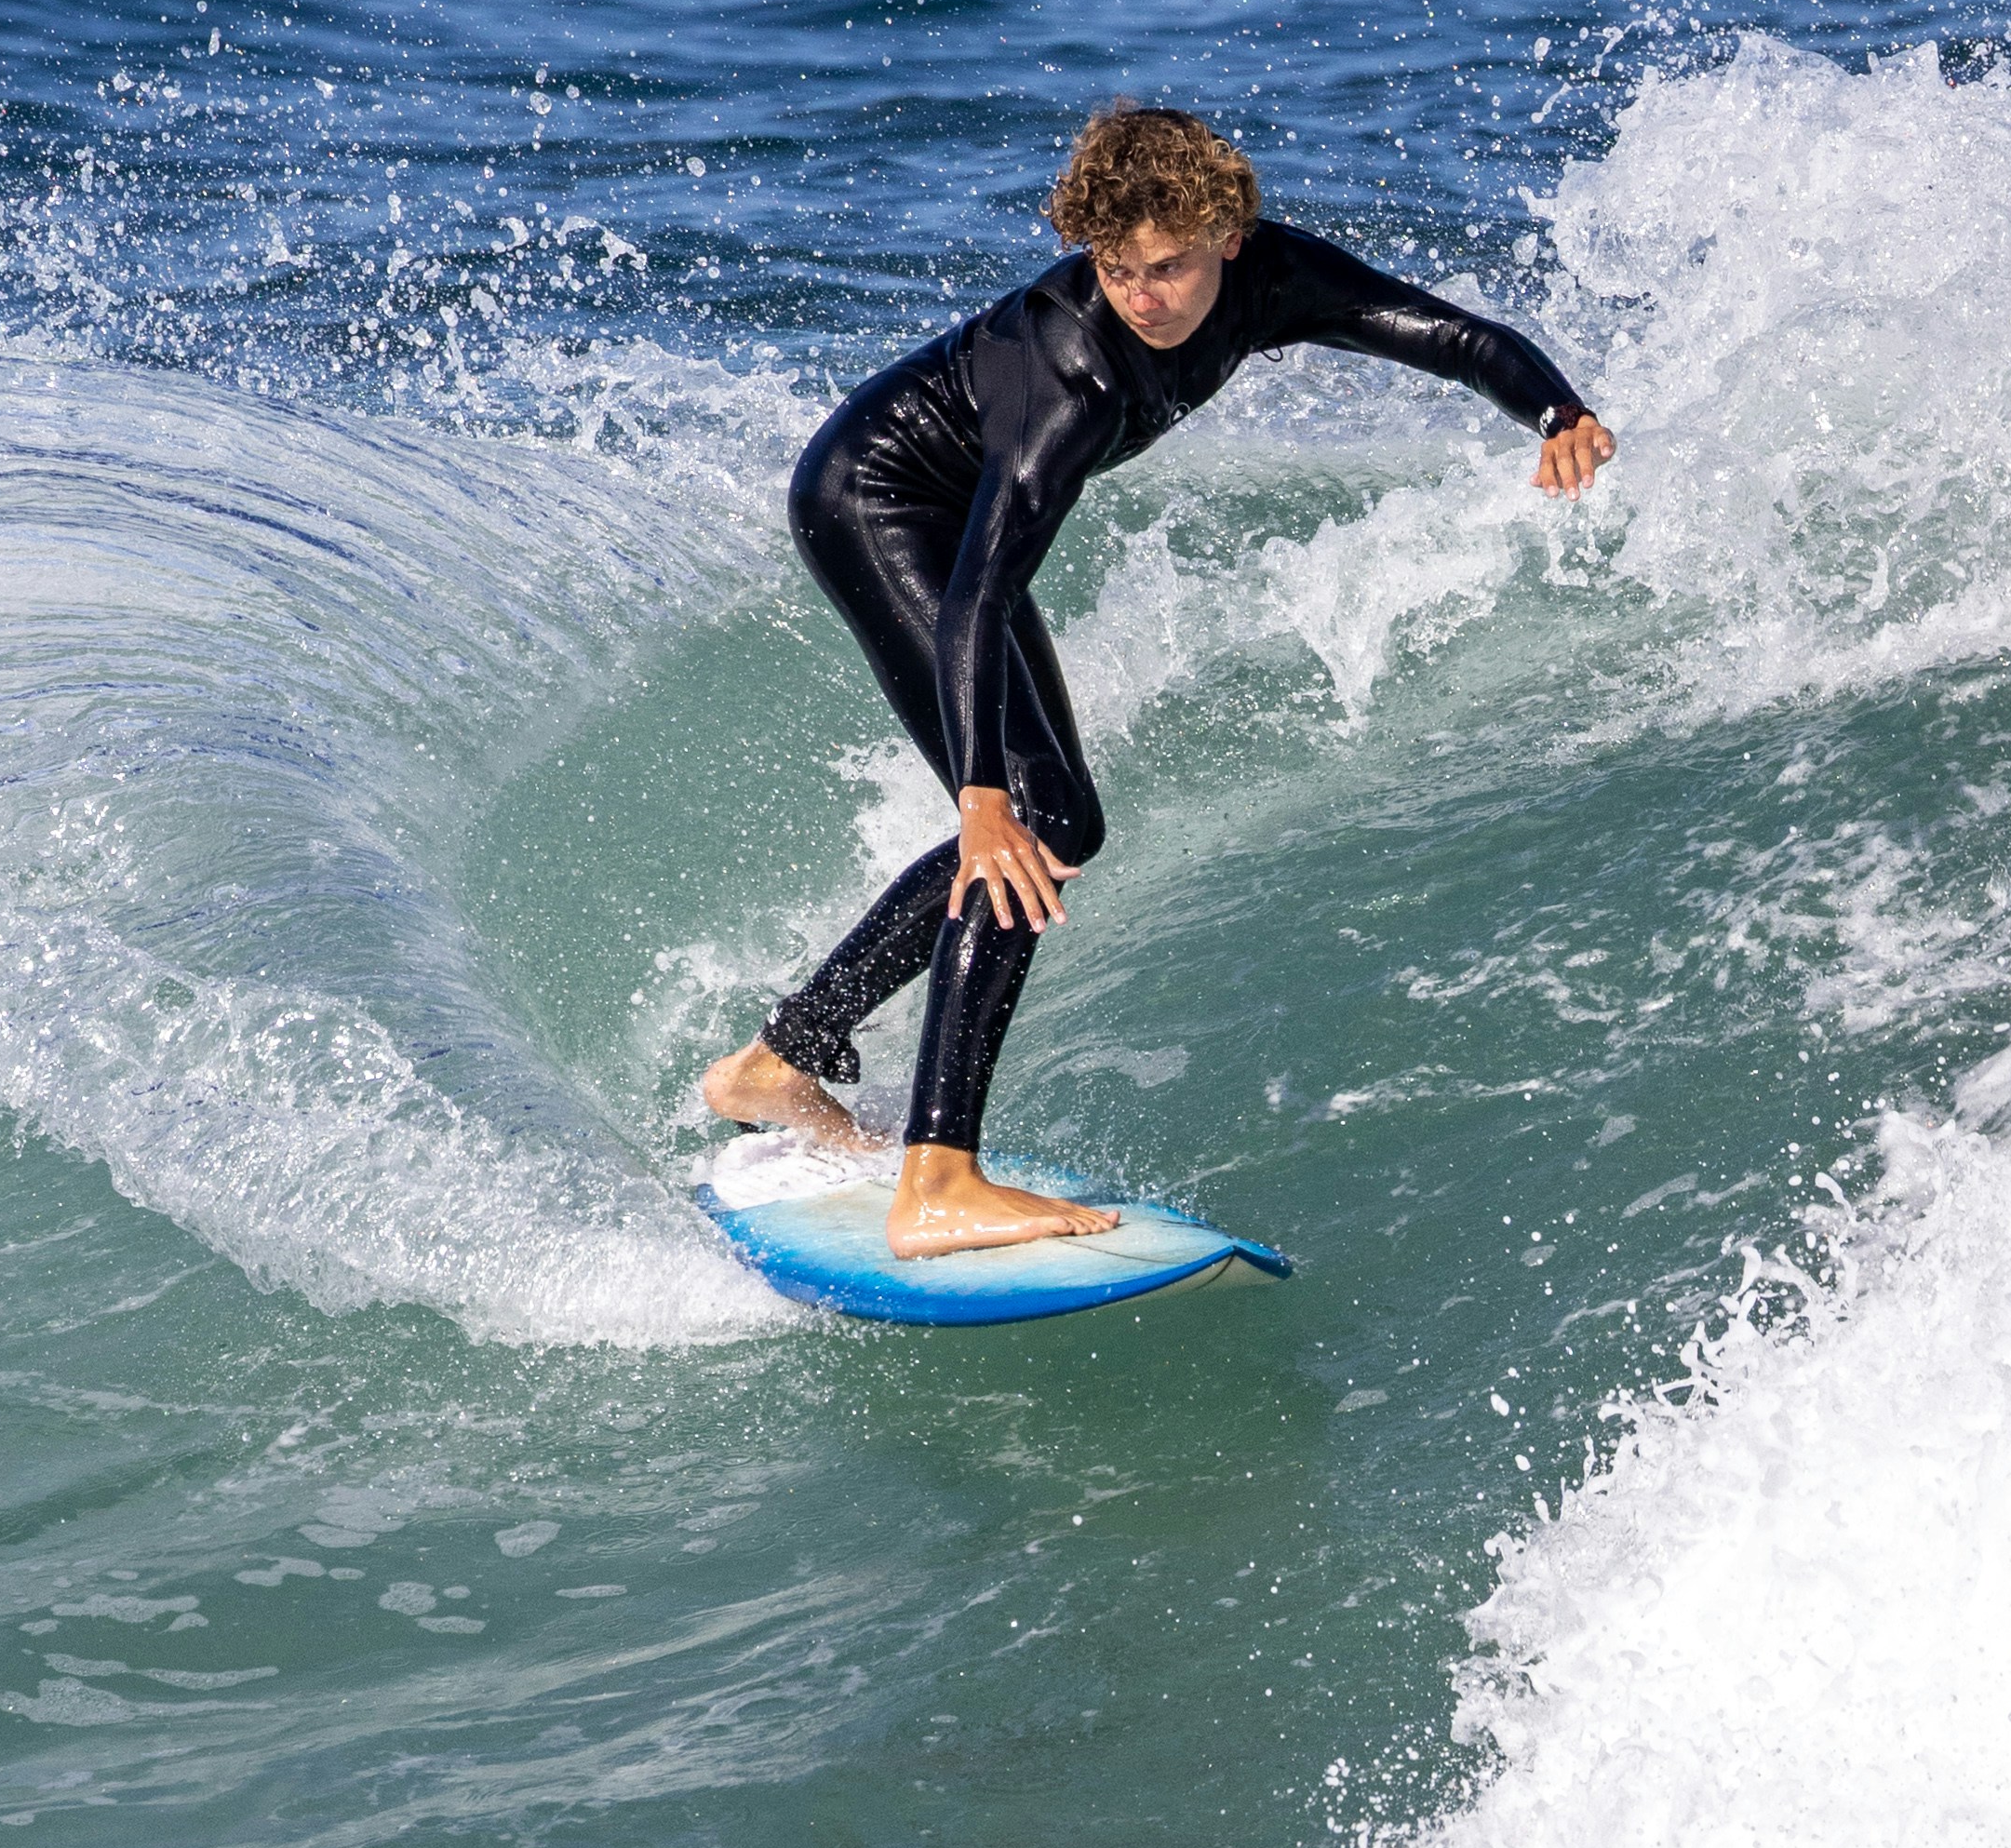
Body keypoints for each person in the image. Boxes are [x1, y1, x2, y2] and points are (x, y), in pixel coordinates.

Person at [694, 104, 1621, 1254]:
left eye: (1169, 267)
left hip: (952, 523)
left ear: (1230, 237)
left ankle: (780, 1063)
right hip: (875, 502)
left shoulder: (1270, 277)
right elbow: (980, 590)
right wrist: (978, 800)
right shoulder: (1071, 378)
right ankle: (936, 1179)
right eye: (1118, 269)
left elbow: (1448, 334)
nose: (1143, 295)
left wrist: (1555, 408)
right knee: (1021, 821)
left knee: (1062, 821)